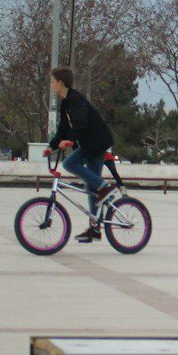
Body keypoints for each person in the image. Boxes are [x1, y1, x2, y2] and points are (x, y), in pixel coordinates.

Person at [49, 67, 114, 243]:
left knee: (69, 164)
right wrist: (52, 146)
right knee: (93, 190)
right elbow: (63, 129)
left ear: (60, 83)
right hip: (89, 144)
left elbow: (81, 124)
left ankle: (105, 187)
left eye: (52, 81)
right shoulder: (66, 103)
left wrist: (69, 141)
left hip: (97, 142)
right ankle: (95, 229)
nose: (51, 85)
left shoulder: (76, 100)